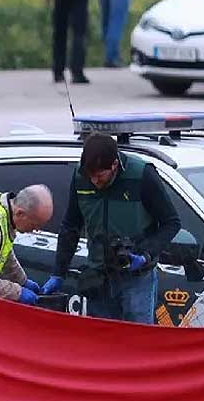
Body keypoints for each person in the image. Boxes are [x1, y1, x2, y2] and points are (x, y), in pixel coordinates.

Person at [43, 133, 181, 324]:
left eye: (100, 176)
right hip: (98, 277)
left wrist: (145, 254)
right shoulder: (80, 177)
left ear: (114, 164)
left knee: (138, 342)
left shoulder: (142, 175)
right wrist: (59, 272)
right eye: (90, 176)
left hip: (136, 278)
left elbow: (171, 222)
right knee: (103, 343)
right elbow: (70, 226)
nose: (94, 181)